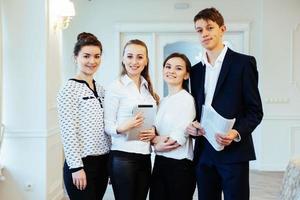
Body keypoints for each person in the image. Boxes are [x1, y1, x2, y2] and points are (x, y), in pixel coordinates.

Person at [186, 7, 263, 200]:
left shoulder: (243, 64)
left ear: (222, 29)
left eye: (209, 28)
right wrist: (193, 125)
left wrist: (235, 133)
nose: (204, 33)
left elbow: (255, 111)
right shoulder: (195, 71)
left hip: (234, 152)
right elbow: (195, 110)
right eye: (199, 30)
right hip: (204, 152)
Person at [57, 32, 111, 200]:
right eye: (86, 56)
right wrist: (76, 168)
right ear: (76, 57)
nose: (92, 61)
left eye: (97, 56)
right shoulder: (69, 89)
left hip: (103, 163)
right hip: (82, 165)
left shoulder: (101, 89)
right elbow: (68, 131)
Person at [104, 39, 159, 200]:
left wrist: (153, 131)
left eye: (140, 57)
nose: (134, 61)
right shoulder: (115, 87)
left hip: (145, 156)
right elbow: (108, 125)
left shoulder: (147, 88)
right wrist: (123, 127)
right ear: (123, 59)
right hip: (123, 157)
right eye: (130, 56)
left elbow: (152, 119)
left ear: (146, 61)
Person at [149, 53, 196, 200]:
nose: (171, 71)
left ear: (186, 75)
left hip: (180, 166)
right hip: (160, 163)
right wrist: (154, 141)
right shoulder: (162, 101)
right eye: (168, 67)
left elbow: (176, 139)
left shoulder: (187, 100)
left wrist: (155, 143)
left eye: (178, 68)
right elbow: (152, 133)